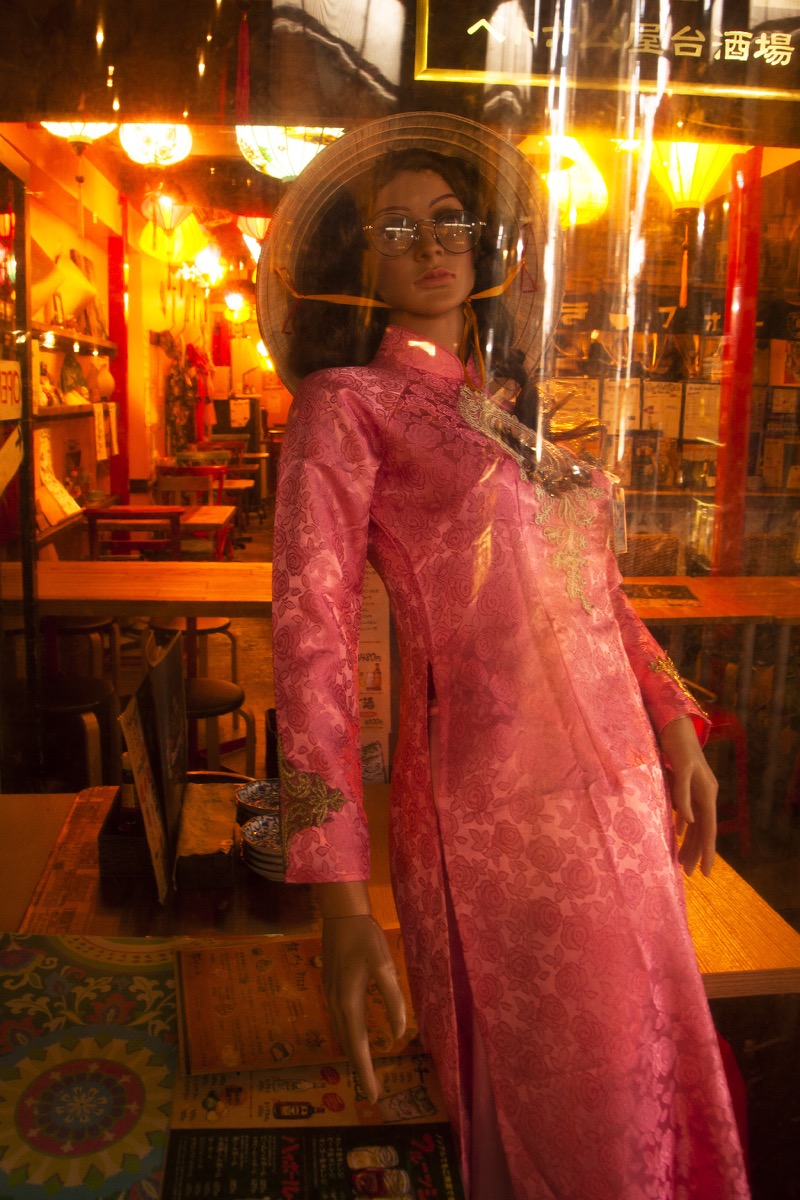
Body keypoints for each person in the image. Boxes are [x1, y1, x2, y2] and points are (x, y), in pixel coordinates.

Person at [258, 112, 750, 1199]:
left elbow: (597, 595)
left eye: (450, 220)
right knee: (575, 1112)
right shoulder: (348, 407)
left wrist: (675, 725)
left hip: (622, 793)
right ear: (359, 258)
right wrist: (339, 898)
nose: (432, 246)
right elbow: (309, 649)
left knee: (649, 1079)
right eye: (396, 228)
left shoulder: (507, 413)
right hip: (496, 816)